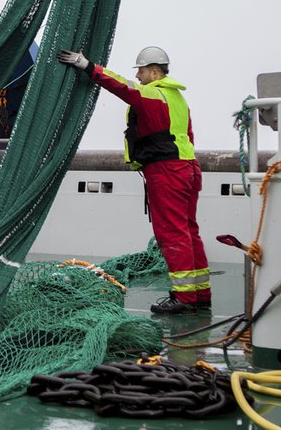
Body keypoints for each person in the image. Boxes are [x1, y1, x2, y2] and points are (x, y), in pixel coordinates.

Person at [57, 45, 211, 314]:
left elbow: (123, 86)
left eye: (141, 70)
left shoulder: (153, 94)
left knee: (172, 233)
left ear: (154, 71)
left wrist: (88, 66)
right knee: (188, 230)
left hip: (167, 172)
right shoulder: (177, 98)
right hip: (188, 168)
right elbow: (187, 135)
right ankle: (200, 293)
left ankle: (184, 298)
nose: (138, 75)